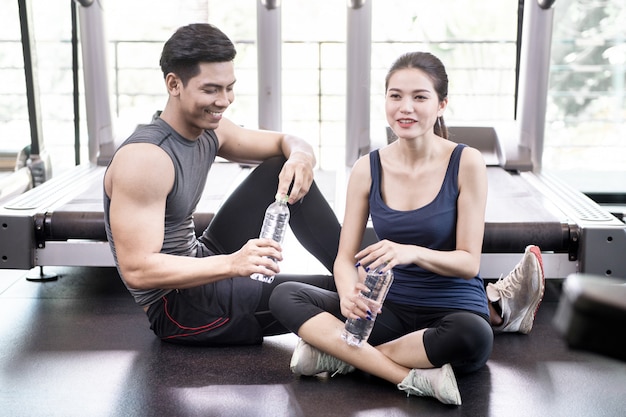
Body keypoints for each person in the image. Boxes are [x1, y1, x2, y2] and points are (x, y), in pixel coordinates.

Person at [268, 51, 545, 405]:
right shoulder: (367, 168)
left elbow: (468, 263)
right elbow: (343, 258)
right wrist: (350, 294)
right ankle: (405, 375)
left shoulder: (466, 162)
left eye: (420, 97)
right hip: (387, 307)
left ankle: (343, 355)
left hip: (450, 309)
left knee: (474, 336)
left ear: (442, 104)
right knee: (286, 295)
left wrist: (410, 251)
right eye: (395, 96)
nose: (405, 108)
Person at [103, 23, 341, 346]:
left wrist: (301, 157)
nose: (225, 100)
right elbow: (137, 270)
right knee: (323, 295)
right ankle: (370, 302)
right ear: (174, 84)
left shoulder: (212, 129)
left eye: (230, 87)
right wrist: (233, 263)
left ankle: (356, 279)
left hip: (200, 256)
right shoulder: (146, 160)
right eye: (211, 89)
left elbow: (288, 141)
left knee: (281, 169)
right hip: (177, 306)